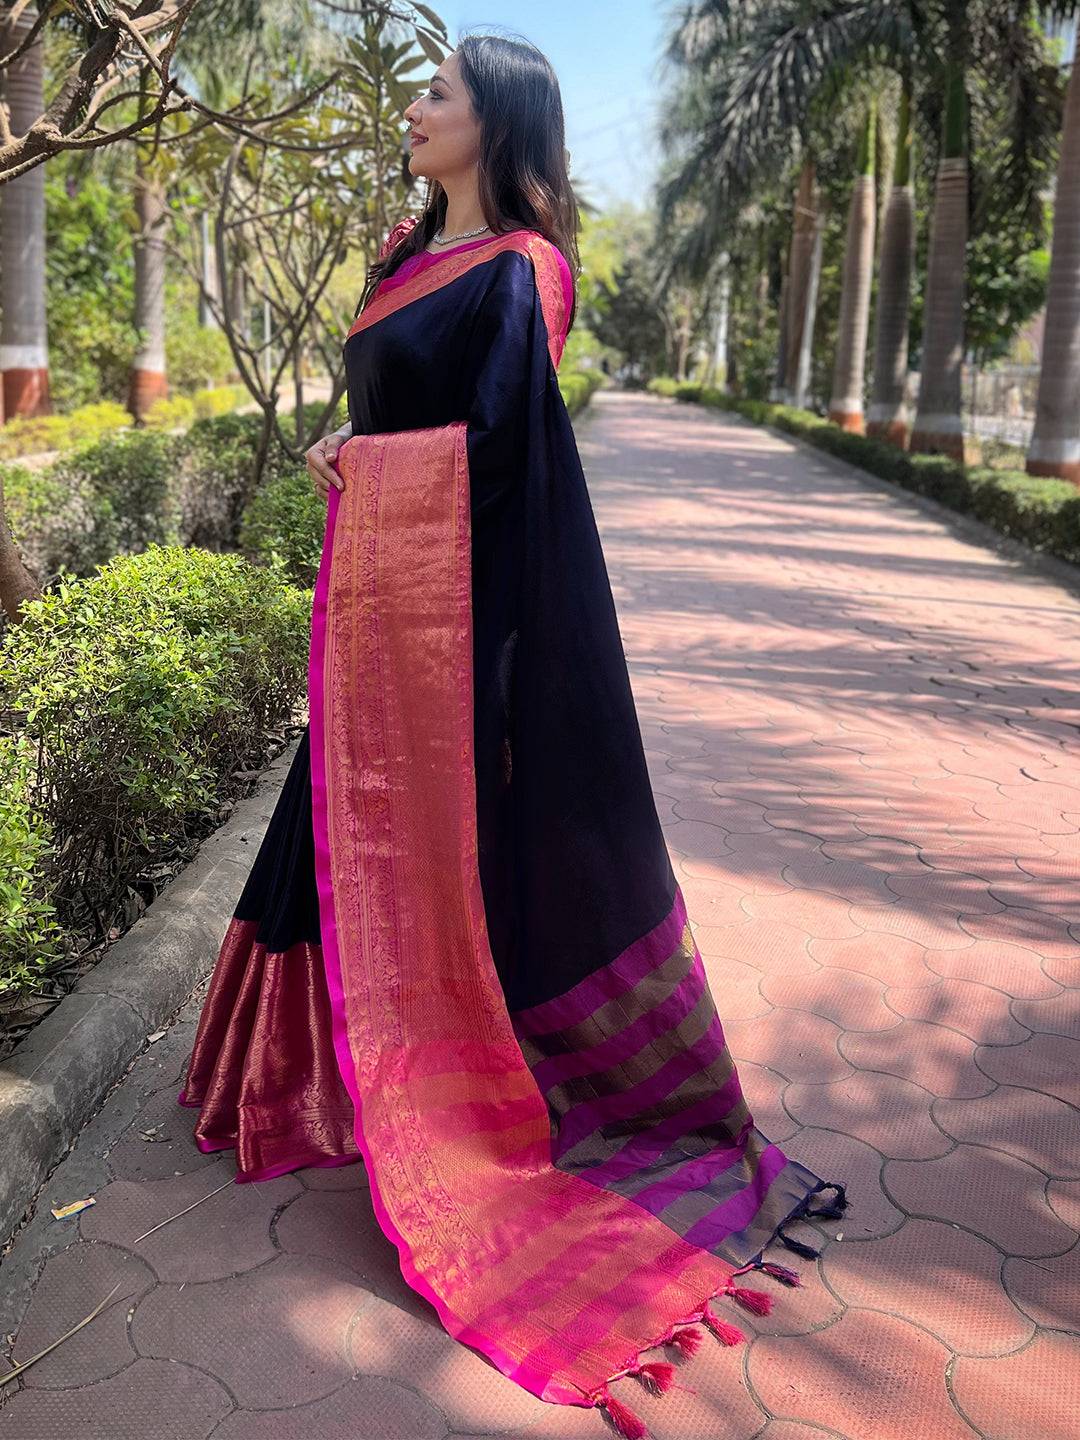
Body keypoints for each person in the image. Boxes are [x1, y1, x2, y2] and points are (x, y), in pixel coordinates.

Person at [180, 32, 846, 1437]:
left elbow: (496, 459)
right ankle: (309, 1083)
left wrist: (368, 463)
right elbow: (390, 410)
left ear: (497, 125)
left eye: (436, 97)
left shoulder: (525, 272)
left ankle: (438, 1091)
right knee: (322, 827)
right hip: (370, 605)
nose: (414, 113)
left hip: (452, 620)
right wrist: (343, 451)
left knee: (431, 856)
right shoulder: (409, 255)